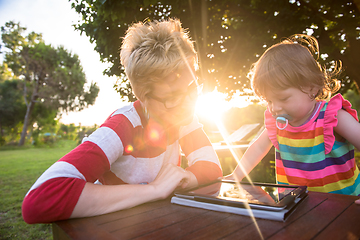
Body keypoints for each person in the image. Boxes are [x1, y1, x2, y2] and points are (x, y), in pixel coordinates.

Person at [22, 18, 222, 224]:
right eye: (172, 98)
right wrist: (153, 190)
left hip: (159, 224)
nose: (188, 103)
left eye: (192, 87)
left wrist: (185, 179)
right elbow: (39, 201)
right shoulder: (121, 126)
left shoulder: (183, 117)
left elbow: (212, 169)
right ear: (144, 98)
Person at [227, 34, 360, 203]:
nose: (274, 108)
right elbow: (258, 148)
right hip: (297, 208)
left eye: (283, 99)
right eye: (269, 101)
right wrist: (236, 175)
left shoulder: (332, 117)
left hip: (344, 207)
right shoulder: (277, 124)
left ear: (312, 87)